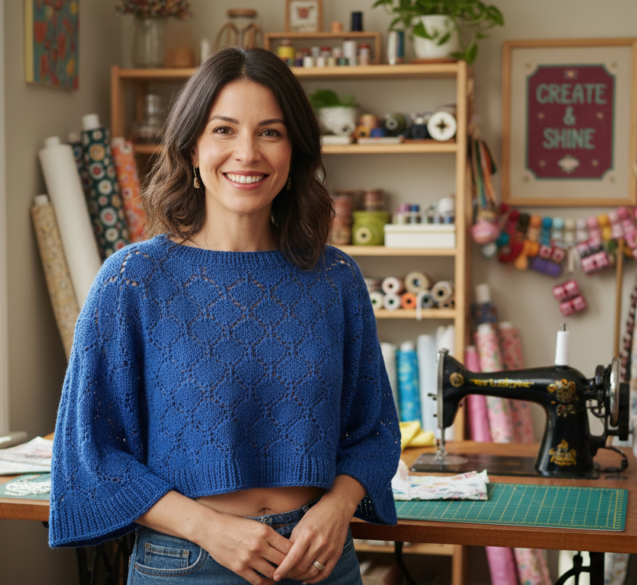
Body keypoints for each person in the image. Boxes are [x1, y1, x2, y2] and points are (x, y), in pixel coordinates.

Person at [49, 47, 401, 585]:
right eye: (223, 130)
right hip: (187, 563)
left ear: (294, 151)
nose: (247, 152)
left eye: (270, 132)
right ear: (191, 147)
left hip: (319, 562)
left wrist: (338, 506)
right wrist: (210, 529)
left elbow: (372, 430)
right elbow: (91, 454)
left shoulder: (336, 279)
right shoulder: (134, 280)